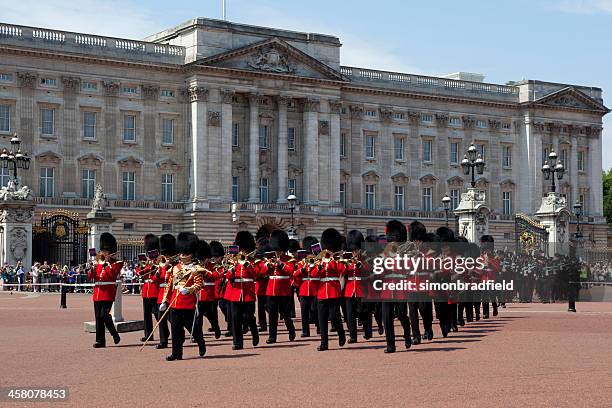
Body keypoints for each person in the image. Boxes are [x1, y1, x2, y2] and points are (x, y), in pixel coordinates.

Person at [159, 232, 206, 361]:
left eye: (185, 253)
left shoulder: (195, 269)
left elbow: (199, 285)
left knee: (193, 328)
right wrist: (165, 301)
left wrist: (188, 290)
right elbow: (169, 286)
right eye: (181, 253)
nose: (182, 256)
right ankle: (176, 353)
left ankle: (200, 341)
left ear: (191, 253)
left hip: (188, 303)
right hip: (175, 304)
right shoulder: (174, 268)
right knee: (175, 330)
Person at [311, 228, 346, 351]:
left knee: (335, 317)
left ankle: (341, 333)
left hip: (333, 291)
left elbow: (341, 270)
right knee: (322, 319)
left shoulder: (336, 260)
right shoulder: (319, 260)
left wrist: (332, 260)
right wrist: (320, 265)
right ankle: (324, 343)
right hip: (321, 293)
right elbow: (314, 274)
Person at [380, 220, 412, 353]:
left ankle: (407, 333)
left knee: (402, 315)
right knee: (386, 318)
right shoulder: (384, 253)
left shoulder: (405, 254)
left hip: (400, 288)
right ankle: (390, 344)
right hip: (387, 289)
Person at [224, 231, 259, 350]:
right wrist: (232, 270)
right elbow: (227, 276)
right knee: (235, 318)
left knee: (249, 317)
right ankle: (237, 342)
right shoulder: (233, 261)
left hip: (248, 293)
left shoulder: (252, 261)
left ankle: (254, 331)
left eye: (244, 250)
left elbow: (255, 275)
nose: (242, 252)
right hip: (235, 293)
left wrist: (247, 265)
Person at [88, 232, 122, 348]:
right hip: (97, 293)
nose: (102, 253)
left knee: (104, 315)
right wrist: (92, 268)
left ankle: (114, 333)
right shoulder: (98, 263)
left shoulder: (117, 263)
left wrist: (106, 262)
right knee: (98, 318)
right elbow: (91, 277)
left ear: (110, 252)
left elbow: (111, 274)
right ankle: (100, 341)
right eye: (102, 251)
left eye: (105, 251)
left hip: (107, 293)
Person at [265, 229, 296, 344]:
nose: (277, 252)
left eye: (279, 250)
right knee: (272, 316)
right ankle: (272, 336)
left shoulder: (289, 260)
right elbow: (263, 272)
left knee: (286, 315)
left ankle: (291, 329)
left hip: (283, 291)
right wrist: (268, 265)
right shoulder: (270, 259)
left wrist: (280, 264)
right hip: (271, 291)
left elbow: (290, 271)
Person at [152, 234, 176, 349]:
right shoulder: (160, 266)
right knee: (161, 318)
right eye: (164, 255)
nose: (165, 257)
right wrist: (159, 270)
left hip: (172, 293)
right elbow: (155, 280)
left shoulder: (176, 266)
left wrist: (168, 267)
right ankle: (163, 341)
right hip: (162, 294)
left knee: (173, 318)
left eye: (167, 255)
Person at [138, 234, 161, 342]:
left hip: (155, 290)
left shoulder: (159, 261)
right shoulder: (147, 262)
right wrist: (143, 266)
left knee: (157, 314)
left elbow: (159, 275)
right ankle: (148, 335)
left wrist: (153, 267)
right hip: (146, 291)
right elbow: (139, 273)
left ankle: (164, 332)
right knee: (146, 315)